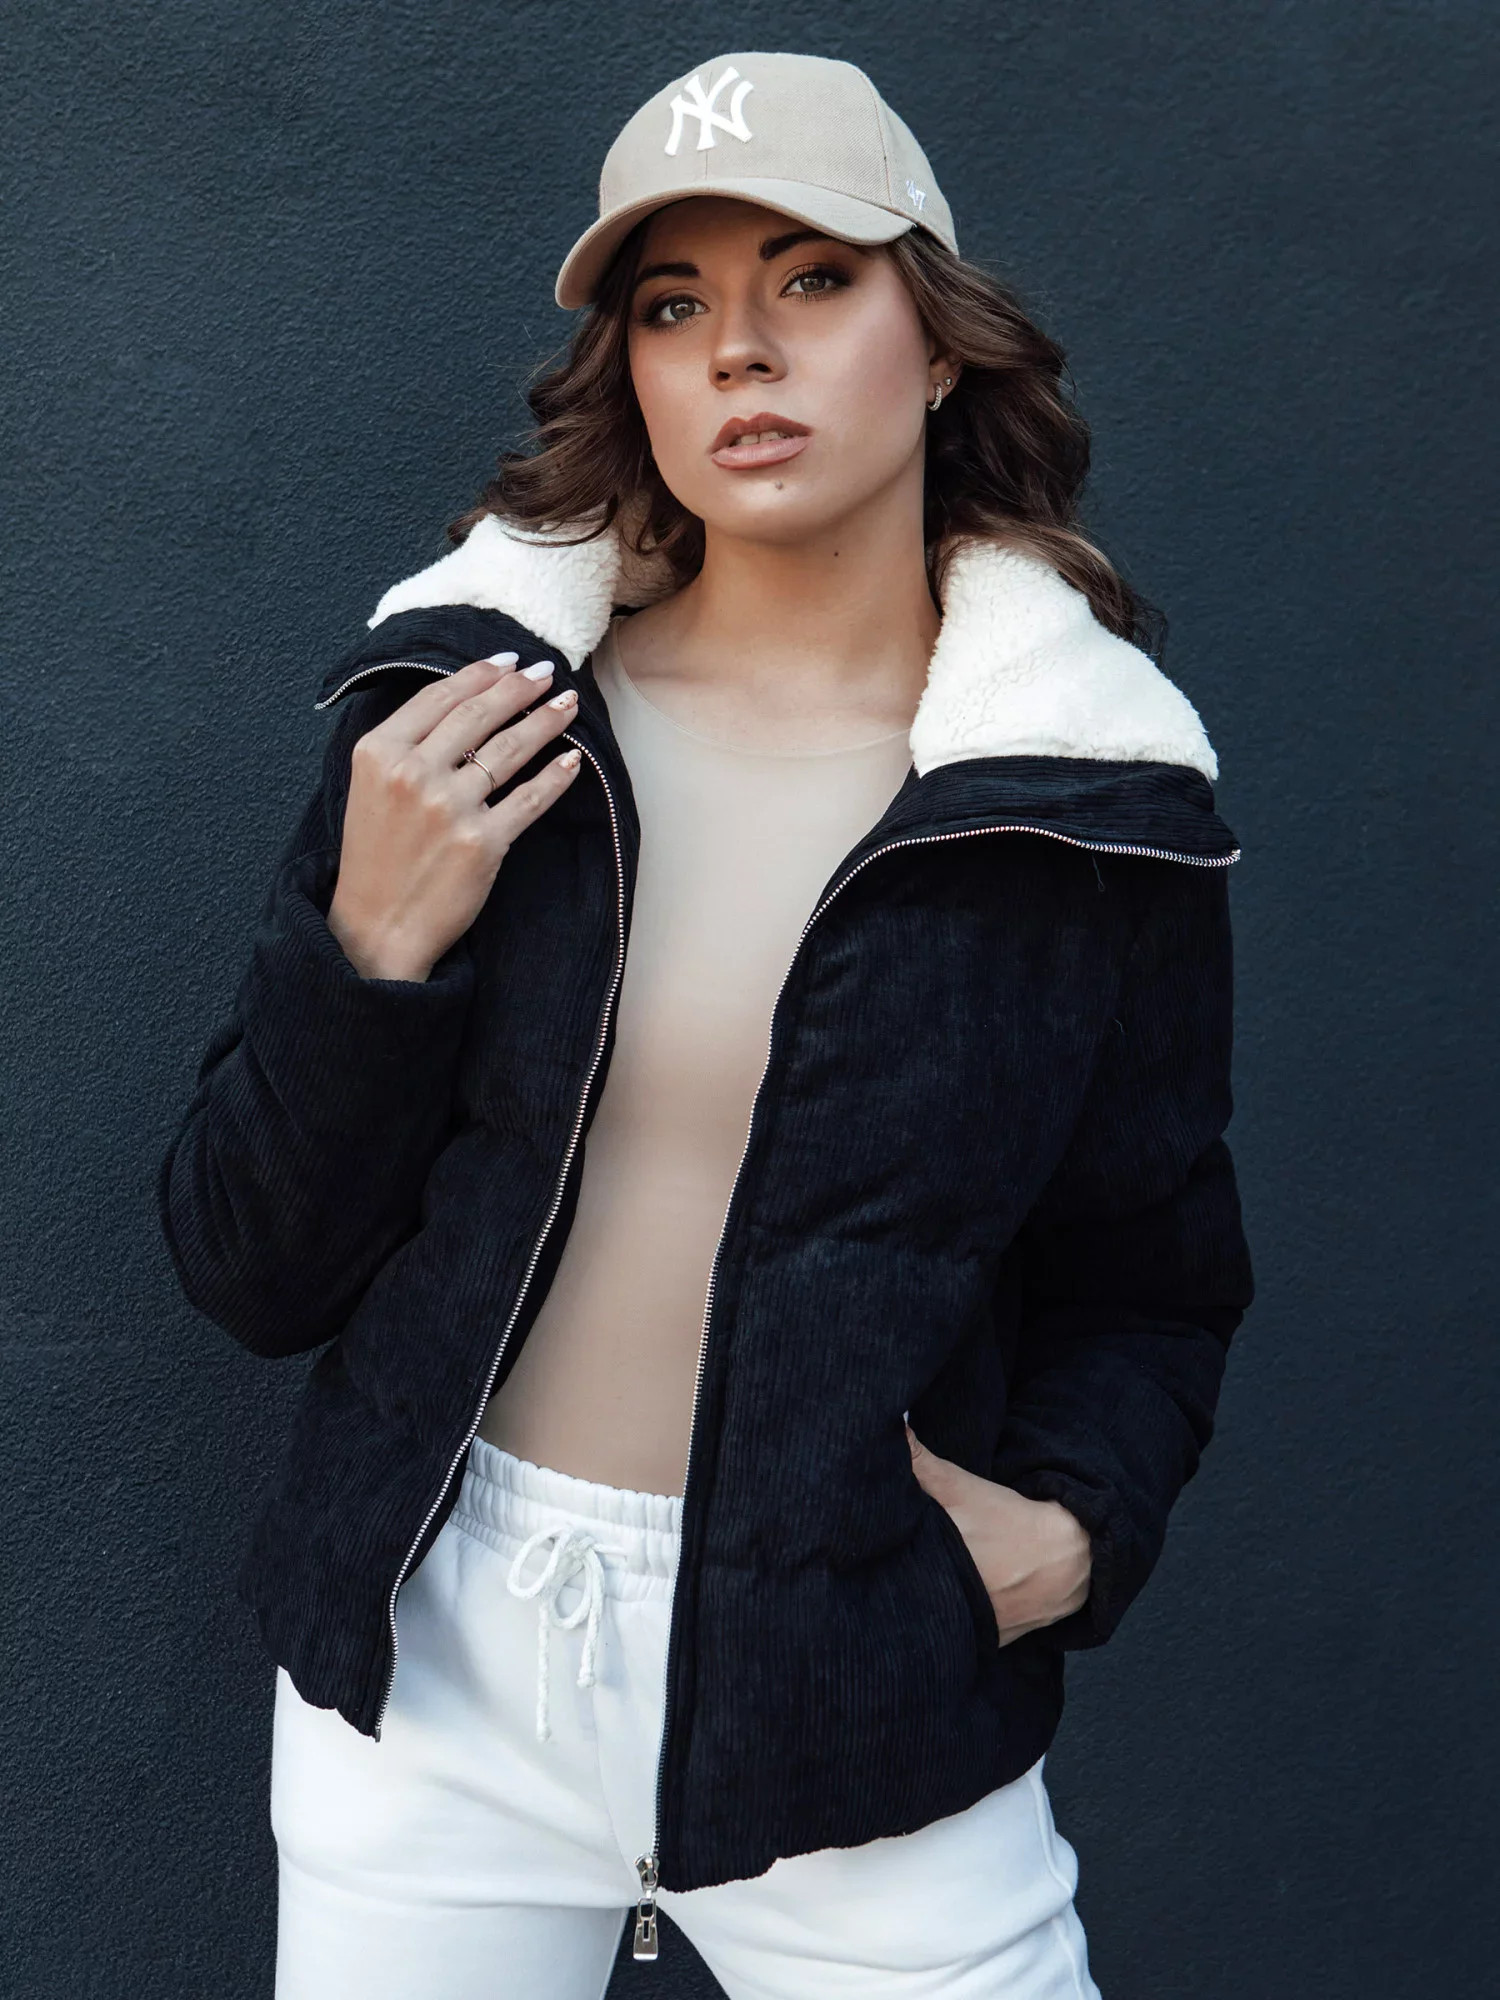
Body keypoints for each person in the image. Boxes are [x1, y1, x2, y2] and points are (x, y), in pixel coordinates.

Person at [158, 49, 1253, 2000]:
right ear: (635, 377)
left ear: (941, 345)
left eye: (812, 280)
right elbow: (250, 1267)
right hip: (432, 1682)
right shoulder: (469, 726)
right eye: (674, 306)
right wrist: (371, 948)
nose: (741, 348)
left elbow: (1152, 1281)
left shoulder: (1076, 799)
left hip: (854, 1680)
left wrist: (1070, 1537)